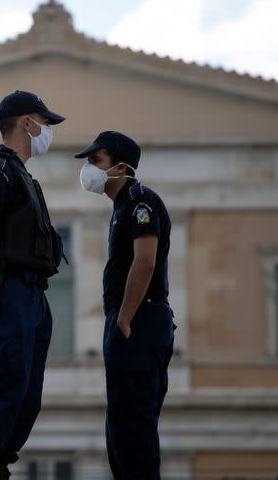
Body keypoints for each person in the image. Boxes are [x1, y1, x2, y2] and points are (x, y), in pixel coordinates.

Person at [0, 90, 66, 480]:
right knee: (5, 382)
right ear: (27, 123)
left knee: (26, 393)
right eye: (45, 122)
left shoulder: (22, 175)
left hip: (33, 295)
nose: (47, 131)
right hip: (9, 293)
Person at [75, 131, 175, 480]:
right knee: (120, 426)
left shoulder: (139, 200)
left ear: (119, 166)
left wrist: (125, 318)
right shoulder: (123, 206)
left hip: (140, 318)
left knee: (133, 426)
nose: (89, 169)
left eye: (95, 161)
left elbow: (144, 261)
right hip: (130, 318)